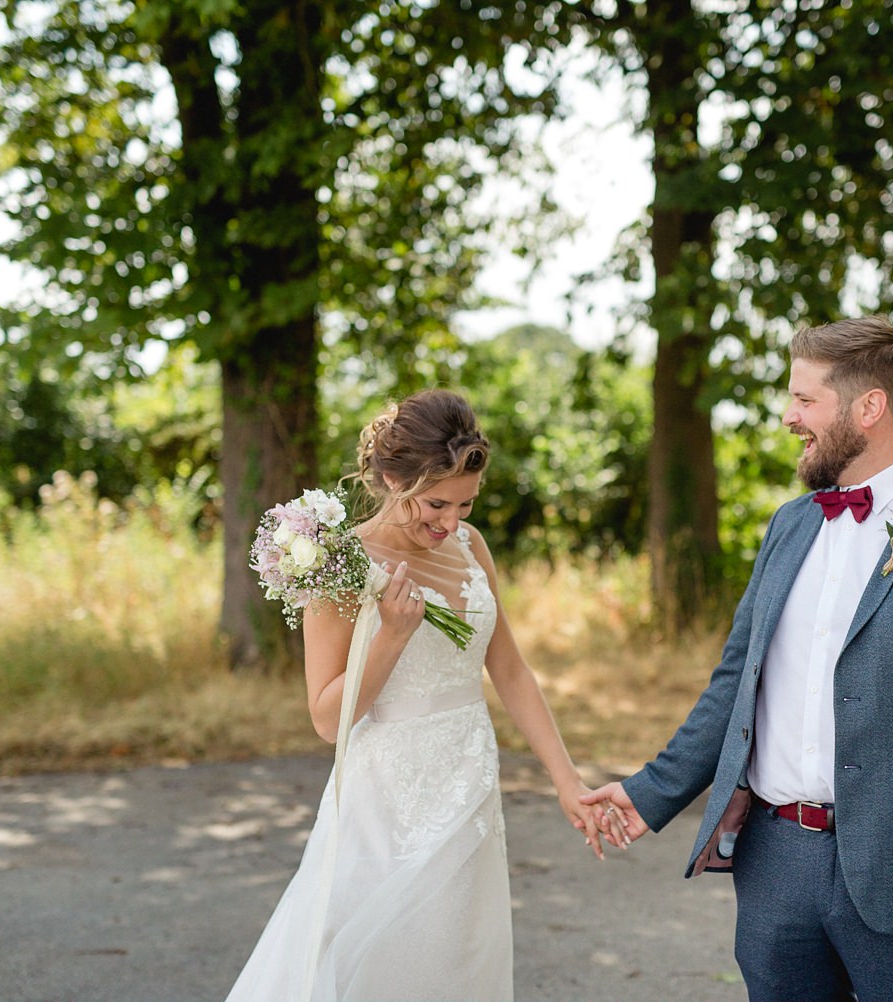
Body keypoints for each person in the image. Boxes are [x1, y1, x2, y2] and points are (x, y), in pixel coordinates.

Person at [584, 316, 893, 1001]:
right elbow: (736, 685)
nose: (787, 416)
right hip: (776, 866)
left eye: (805, 400)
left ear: (870, 408)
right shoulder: (790, 523)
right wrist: (649, 790)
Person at [226, 389, 614, 1002]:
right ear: (389, 479)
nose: (450, 522)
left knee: (455, 961)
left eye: (465, 504)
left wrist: (565, 779)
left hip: (469, 782)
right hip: (385, 801)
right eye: (435, 503)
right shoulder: (339, 563)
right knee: (378, 964)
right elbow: (327, 720)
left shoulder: (470, 547)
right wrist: (391, 639)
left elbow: (509, 670)